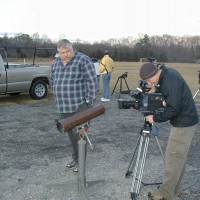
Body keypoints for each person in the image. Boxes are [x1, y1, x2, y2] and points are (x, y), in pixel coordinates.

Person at [139, 62, 198, 200]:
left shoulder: (169, 80)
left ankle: (165, 194)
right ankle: (175, 190)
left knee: (172, 159)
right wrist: (156, 89)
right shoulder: (167, 74)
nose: (148, 83)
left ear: (153, 74)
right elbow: (169, 93)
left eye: (148, 80)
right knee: (178, 159)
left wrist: (154, 118)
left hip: (183, 123)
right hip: (187, 121)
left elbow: (173, 109)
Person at [51, 39, 97, 174]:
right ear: (58, 52)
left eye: (68, 51)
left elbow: (92, 82)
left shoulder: (83, 60)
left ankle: (81, 164)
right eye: (62, 52)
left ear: (72, 49)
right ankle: (75, 159)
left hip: (79, 106)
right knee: (71, 136)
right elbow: (52, 80)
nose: (65, 54)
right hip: (63, 107)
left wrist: (89, 103)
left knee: (80, 136)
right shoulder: (56, 63)